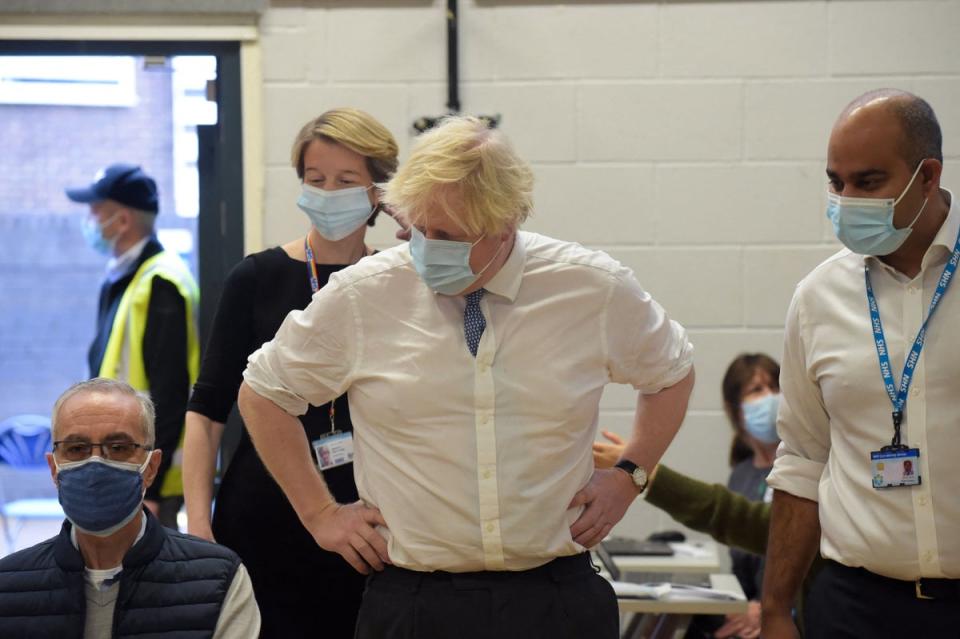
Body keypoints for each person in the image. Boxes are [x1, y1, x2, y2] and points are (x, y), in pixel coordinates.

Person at [237, 115, 696, 639]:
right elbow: (263, 393)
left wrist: (629, 475)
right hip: (414, 601)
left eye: (449, 236)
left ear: (506, 224)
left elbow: (672, 373)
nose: (428, 249)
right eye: (419, 229)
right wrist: (320, 513)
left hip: (554, 597)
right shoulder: (364, 294)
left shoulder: (591, 287)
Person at [182, 108, 399, 638]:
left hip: (370, 516)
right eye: (315, 180)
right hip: (263, 512)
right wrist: (198, 525)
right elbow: (208, 411)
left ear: (378, 191)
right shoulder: (257, 277)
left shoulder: (396, 280)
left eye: (347, 181)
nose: (328, 193)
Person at [763, 89, 960, 638]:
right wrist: (776, 608)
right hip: (856, 606)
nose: (846, 200)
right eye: (835, 182)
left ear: (928, 176)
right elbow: (802, 458)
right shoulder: (817, 298)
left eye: (868, 183)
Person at [0, 378, 259, 638]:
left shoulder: (218, 582)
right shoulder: (8, 588)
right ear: (54, 468)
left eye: (119, 448)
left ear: (151, 467)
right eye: (77, 448)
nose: (96, 464)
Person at [594, 352, 781, 639]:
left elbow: (742, 522)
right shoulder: (742, 473)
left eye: (776, 387)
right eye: (757, 390)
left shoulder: (798, 471)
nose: (770, 398)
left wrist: (641, 471)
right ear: (734, 410)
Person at [66, 164, 199, 529]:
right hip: (118, 467)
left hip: (144, 476)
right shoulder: (125, 277)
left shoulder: (160, 282)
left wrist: (151, 492)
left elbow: (170, 391)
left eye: (95, 212)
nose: (89, 221)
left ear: (122, 221)